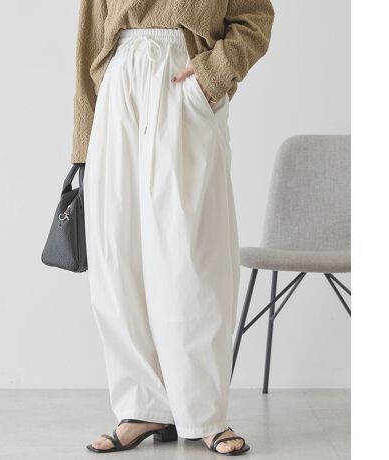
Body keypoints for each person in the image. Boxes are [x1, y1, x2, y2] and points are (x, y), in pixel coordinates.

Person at [72, 0, 274, 455]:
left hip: (183, 78)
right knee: (117, 254)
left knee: (191, 256)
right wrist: (84, 142)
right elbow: (90, 35)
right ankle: (141, 406)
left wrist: (212, 75)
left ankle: (205, 414)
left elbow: (256, 17)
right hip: (117, 85)